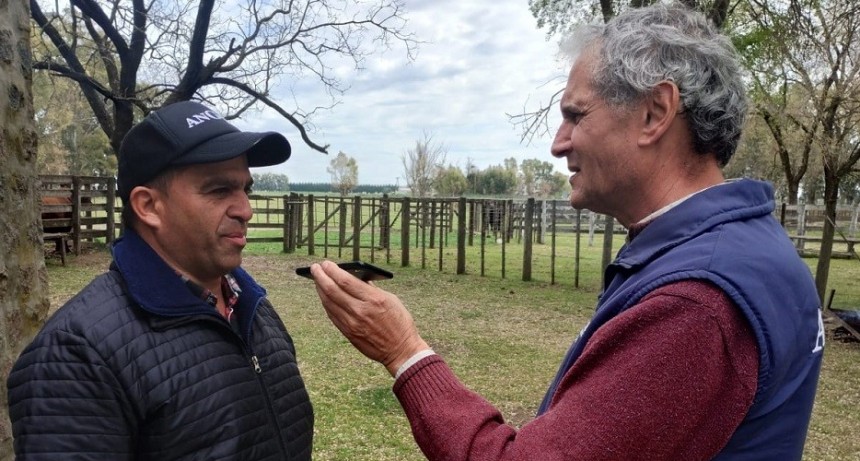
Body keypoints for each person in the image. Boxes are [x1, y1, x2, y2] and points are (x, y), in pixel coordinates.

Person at [308, 4, 823, 461]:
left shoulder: (697, 303)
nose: (558, 144)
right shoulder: (750, 250)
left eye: (576, 115)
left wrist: (405, 352)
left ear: (655, 112)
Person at [7, 101, 314, 459]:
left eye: (246, 189)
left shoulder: (251, 306)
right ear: (149, 206)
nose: (245, 209)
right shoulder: (74, 356)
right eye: (219, 190)